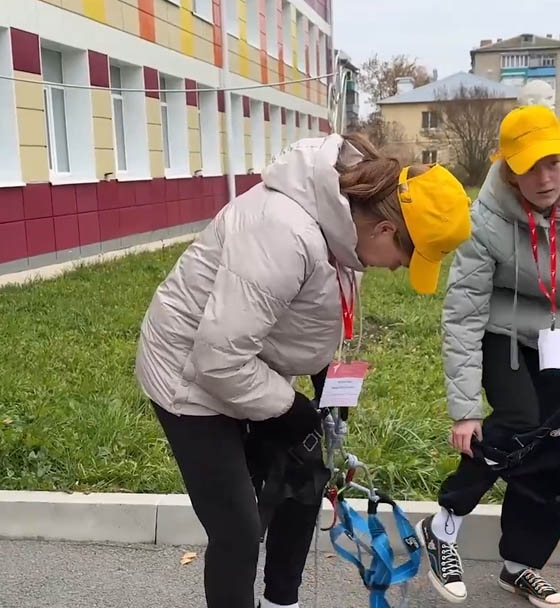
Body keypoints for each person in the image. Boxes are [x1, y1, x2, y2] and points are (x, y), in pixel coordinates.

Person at [134, 132, 473, 608]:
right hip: (189, 373)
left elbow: (312, 308)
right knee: (238, 525)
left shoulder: (345, 220)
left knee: (303, 475)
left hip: (250, 361)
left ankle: (282, 601)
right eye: (408, 257)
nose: (400, 268)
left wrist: (322, 381)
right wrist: (292, 409)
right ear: (384, 231)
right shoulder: (282, 234)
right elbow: (218, 359)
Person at [415, 105, 560, 606]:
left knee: (557, 441)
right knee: (521, 419)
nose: (544, 178)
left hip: (555, 333)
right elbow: (462, 314)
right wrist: (464, 410)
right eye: (528, 167)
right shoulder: (484, 219)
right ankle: (444, 525)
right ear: (508, 168)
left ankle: (519, 565)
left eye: (553, 163)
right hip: (496, 331)